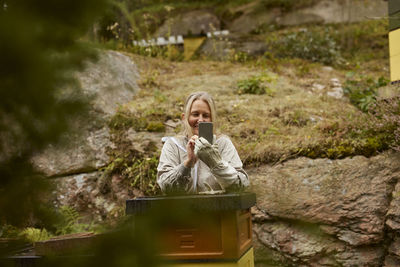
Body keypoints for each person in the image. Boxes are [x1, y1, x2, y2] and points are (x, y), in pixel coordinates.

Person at [157, 91, 249, 194]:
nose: (200, 120)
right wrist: (187, 164)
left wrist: (215, 162)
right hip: (183, 209)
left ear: (212, 119)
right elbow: (165, 187)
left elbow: (242, 185)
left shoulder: (223, 143)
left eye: (206, 115)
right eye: (195, 114)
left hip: (219, 207)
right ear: (184, 118)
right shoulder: (173, 145)